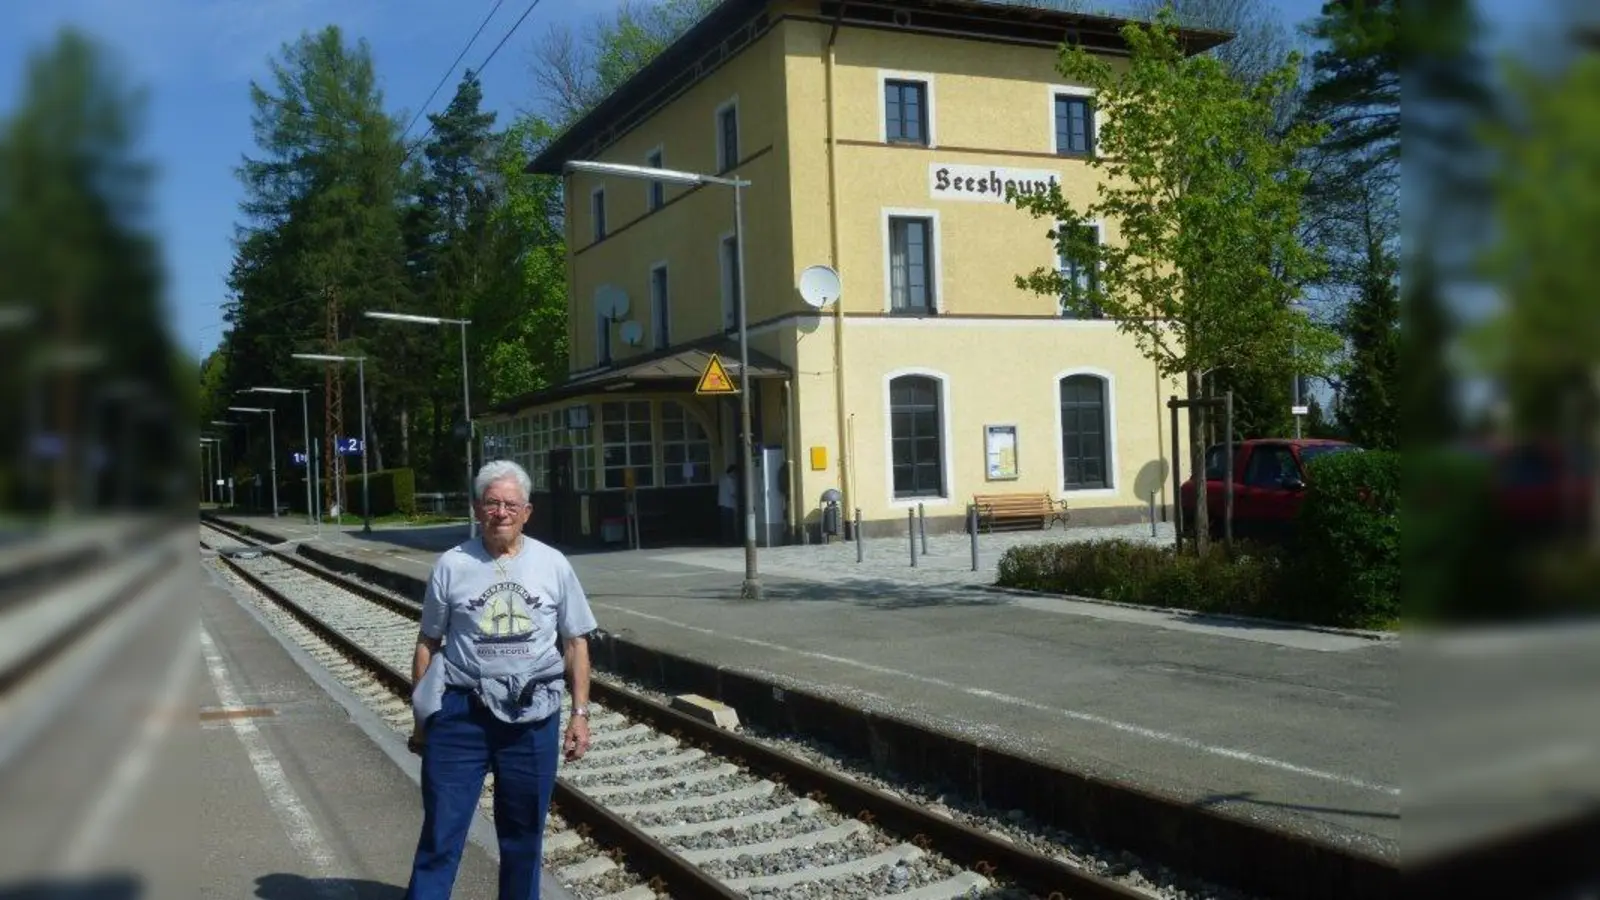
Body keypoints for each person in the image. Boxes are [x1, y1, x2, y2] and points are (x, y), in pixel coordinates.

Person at [403, 459, 599, 900]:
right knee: (441, 834)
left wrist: (580, 714)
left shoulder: (553, 564)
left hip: (533, 718)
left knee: (523, 841)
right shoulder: (451, 565)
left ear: (527, 511)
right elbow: (427, 644)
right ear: (477, 509)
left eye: (511, 504)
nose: (501, 513)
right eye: (492, 503)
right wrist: (423, 721)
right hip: (460, 715)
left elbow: (576, 643)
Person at [718, 464, 737, 545]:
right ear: (732, 472)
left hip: (722, 503)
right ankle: (730, 540)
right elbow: (733, 493)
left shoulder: (722, 478)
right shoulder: (730, 480)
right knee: (729, 524)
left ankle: (725, 540)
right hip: (729, 504)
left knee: (724, 524)